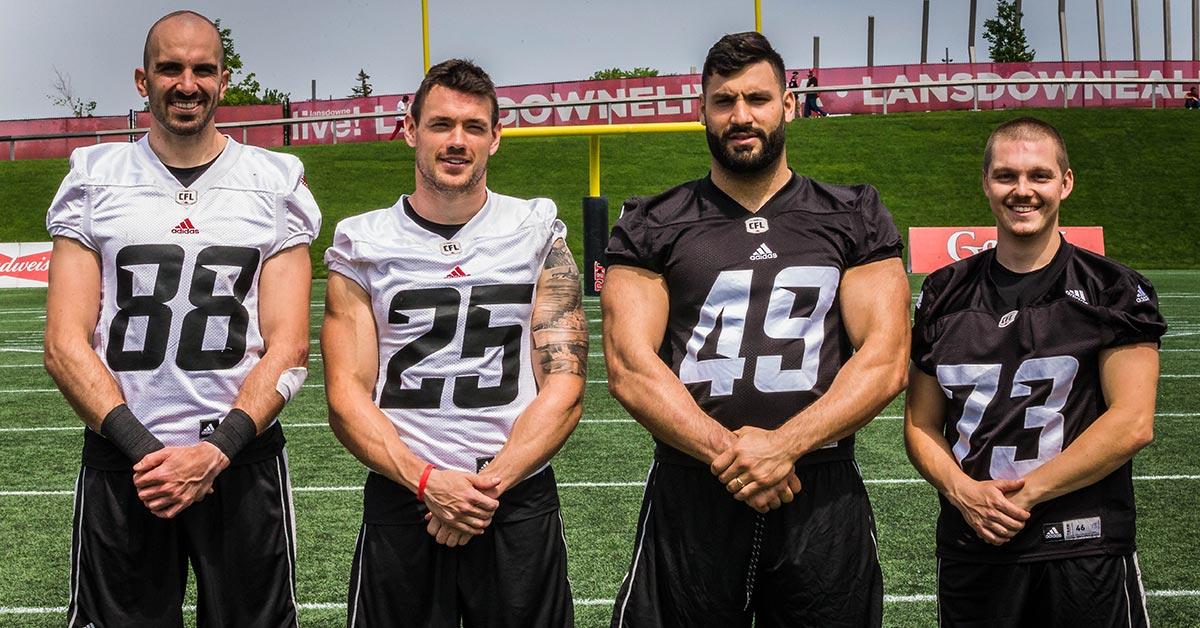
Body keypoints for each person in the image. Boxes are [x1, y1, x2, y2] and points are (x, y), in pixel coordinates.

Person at [604, 32, 909, 627]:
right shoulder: (654, 222)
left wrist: (785, 446)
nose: (741, 116)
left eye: (757, 99)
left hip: (818, 486)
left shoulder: (852, 214)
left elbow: (887, 357)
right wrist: (736, 454)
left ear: (788, 104)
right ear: (701, 112)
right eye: (724, 101)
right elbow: (629, 365)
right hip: (693, 484)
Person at [43, 10, 320, 627]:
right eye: (170, 68)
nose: (186, 84)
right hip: (125, 459)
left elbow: (289, 346)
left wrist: (215, 451)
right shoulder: (95, 178)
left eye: (202, 69)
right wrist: (148, 452)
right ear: (143, 81)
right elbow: (65, 344)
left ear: (224, 80)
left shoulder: (273, 182)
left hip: (239, 459)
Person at [322, 58, 586, 627]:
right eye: (441, 125)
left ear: (496, 138)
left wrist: (484, 488)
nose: (457, 141)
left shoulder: (537, 229)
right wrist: (427, 480)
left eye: (473, 127)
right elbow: (345, 394)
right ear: (410, 130)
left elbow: (564, 385)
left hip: (513, 495)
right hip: (405, 494)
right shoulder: (362, 241)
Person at [904, 117, 1165, 627]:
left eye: (1039, 176)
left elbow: (1133, 421)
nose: (1023, 191)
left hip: (1081, 544)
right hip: (973, 546)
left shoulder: (1111, 288)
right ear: (985, 183)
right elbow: (920, 423)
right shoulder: (944, 292)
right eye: (1006, 176)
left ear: (1065, 183)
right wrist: (963, 493)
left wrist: (1025, 494)